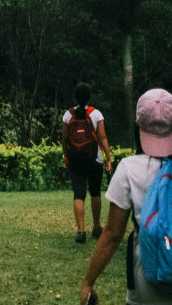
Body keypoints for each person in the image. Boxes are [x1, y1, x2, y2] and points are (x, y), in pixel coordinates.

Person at [79, 88, 172, 305]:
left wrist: (88, 281)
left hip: (153, 285)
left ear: (139, 127)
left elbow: (112, 234)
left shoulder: (129, 169)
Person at [62, 82, 113, 243]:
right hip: (94, 159)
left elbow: (64, 139)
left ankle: (81, 231)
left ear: (76, 97)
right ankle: (97, 227)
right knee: (95, 192)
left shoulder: (68, 115)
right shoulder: (96, 114)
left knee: (79, 194)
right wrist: (108, 159)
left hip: (75, 160)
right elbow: (102, 138)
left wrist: (66, 155)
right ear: (89, 97)